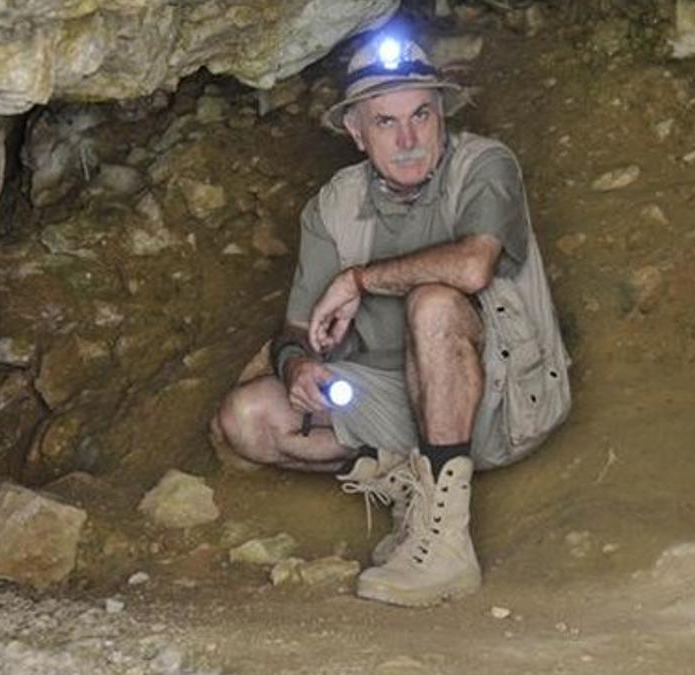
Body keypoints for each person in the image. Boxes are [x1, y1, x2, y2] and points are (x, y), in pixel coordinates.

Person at [209, 35, 570, 607]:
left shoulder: (485, 165)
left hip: (504, 404)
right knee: (248, 416)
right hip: (396, 407)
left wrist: (358, 279)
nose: (407, 139)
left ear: (441, 114)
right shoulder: (335, 204)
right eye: (385, 122)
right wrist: (297, 363)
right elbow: (297, 330)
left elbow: (474, 266)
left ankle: (446, 546)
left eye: (420, 114)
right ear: (356, 133)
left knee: (433, 302)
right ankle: (412, 479)